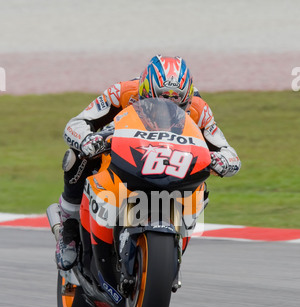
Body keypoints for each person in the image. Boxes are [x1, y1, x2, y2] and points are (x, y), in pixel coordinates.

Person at [56, 54, 241, 270]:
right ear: (145, 93)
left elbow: (230, 153)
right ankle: (68, 227)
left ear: (187, 99)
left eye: (177, 104)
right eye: (160, 103)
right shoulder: (123, 92)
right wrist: (88, 139)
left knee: (201, 182)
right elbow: (76, 123)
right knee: (76, 156)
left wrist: (222, 161)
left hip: (171, 164)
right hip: (126, 154)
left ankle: (172, 245)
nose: (167, 111)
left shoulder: (199, 109)